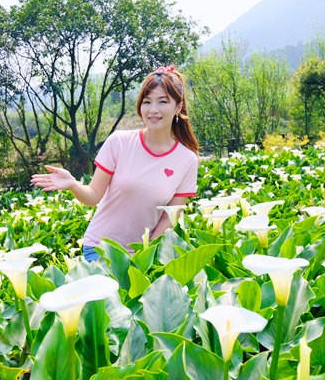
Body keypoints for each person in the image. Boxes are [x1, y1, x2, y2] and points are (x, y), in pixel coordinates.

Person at [31, 65, 199, 262]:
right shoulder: (119, 142)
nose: (153, 110)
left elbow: (169, 219)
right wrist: (73, 184)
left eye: (163, 102)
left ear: (178, 107)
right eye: (147, 102)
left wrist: (145, 256)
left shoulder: (187, 160)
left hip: (143, 254)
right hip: (101, 248)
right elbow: (93, 196)